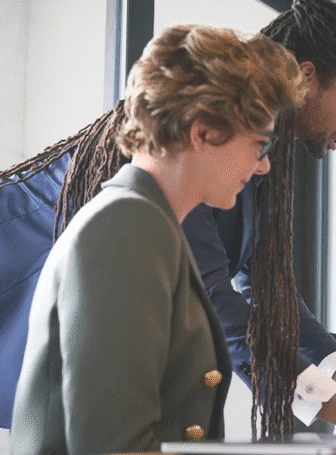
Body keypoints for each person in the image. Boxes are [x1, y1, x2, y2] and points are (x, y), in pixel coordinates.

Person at [0, 0, 336, 438]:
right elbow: (221, 310)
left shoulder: (226, 172)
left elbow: (269, 295)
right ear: (203, 134)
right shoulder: (137, 214)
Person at [10, 24, 307, 454]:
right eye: (259, 145)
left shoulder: (147, 222)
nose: (262, 168)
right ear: (203, 132)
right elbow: (115, 446)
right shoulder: (126, 226)